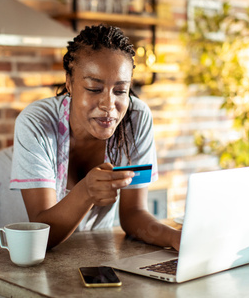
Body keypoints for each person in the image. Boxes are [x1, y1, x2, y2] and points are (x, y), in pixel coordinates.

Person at [10, 24, 181, 250]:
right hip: (22, 256)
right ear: (69, 83)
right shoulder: (36, 123)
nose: (109, 105)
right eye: (93, 88)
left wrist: (175, 239)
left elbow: (133, 214)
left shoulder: (135, 118)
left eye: (120, 91)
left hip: (94, 255)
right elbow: (41, 236)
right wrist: (86, 192)